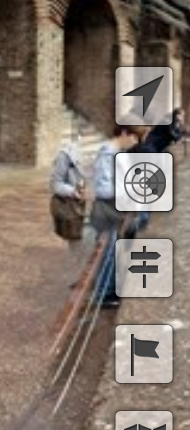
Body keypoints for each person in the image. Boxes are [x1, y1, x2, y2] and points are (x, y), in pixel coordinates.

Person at [90, 121, 140, 307]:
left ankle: (109, 289)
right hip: (106, 211)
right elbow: (102, 189)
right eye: (134, 138)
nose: (135, 143)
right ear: (124, 133)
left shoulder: (118, 154)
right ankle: (104, 294)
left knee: (112, 250)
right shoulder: (107, 155)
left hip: (114, 210)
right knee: (108, 252)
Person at [50, 137, 89, 284]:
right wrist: (73, 192)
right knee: (78, 249)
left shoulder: (116, 150)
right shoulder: (66, 155)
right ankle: (80, 282)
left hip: (101, 210)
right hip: (76, 210)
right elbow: (55, 184)